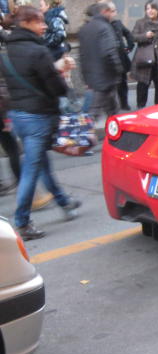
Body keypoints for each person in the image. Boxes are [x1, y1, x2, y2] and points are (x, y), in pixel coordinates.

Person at [0, 5, 80, 239]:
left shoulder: (6, 51)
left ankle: (64, 202)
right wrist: (63, 75)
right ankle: (23, 222)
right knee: (32, 170)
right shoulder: (38, 51)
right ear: (26, 23)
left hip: (19, 116)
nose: (44, 26)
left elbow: (21, 79)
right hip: (38, 116)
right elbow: (56, 87)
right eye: (40, 22)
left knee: (41, 162)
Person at [78, 1, 122, 122]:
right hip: (105, 77)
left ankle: (115, 134)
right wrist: (118, 70)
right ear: (104, 12)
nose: (112, 14)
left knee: (112, 110)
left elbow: (81, 56)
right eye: (110, 11)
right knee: (95, 111)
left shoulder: (84, 29)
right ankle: (83, 135)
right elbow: (110, 52)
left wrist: (85, 77)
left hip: (93, 77)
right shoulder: (105, 27)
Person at [131, 1, 158, 108]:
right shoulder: (140, 22)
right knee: (142, 85)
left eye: (152, 8)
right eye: (147, 8)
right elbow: (133, 37)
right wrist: (145, 36)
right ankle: (140, 108)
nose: (150, 11)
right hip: (146, 59)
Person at [96, 0, 135, 111]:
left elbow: (128, 34)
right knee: (109, 85)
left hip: (120, 58)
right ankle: (109, 107)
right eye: (110, 11)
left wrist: (129, 46)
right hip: (107, 61)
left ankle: (124, 103)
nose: (112, 13)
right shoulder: (100, 25)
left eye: (114, 11)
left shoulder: (118, 23)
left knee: (122, 83)